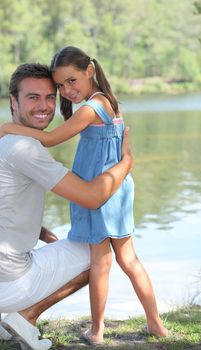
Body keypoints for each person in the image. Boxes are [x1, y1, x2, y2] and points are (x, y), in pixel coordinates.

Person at [1, 46, 168, 344]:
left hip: (103, 192)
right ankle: (150, 323)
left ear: (89, 71)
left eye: (68, 83)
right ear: (13, 100)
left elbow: (52, 139)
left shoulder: (92, 107)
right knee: (123, 260)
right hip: (109, 189)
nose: (66, 91)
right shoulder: (103, 104)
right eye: (60, 86)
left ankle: (98, 330)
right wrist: (126, 163)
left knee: (103, 261)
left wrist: (7, 127)